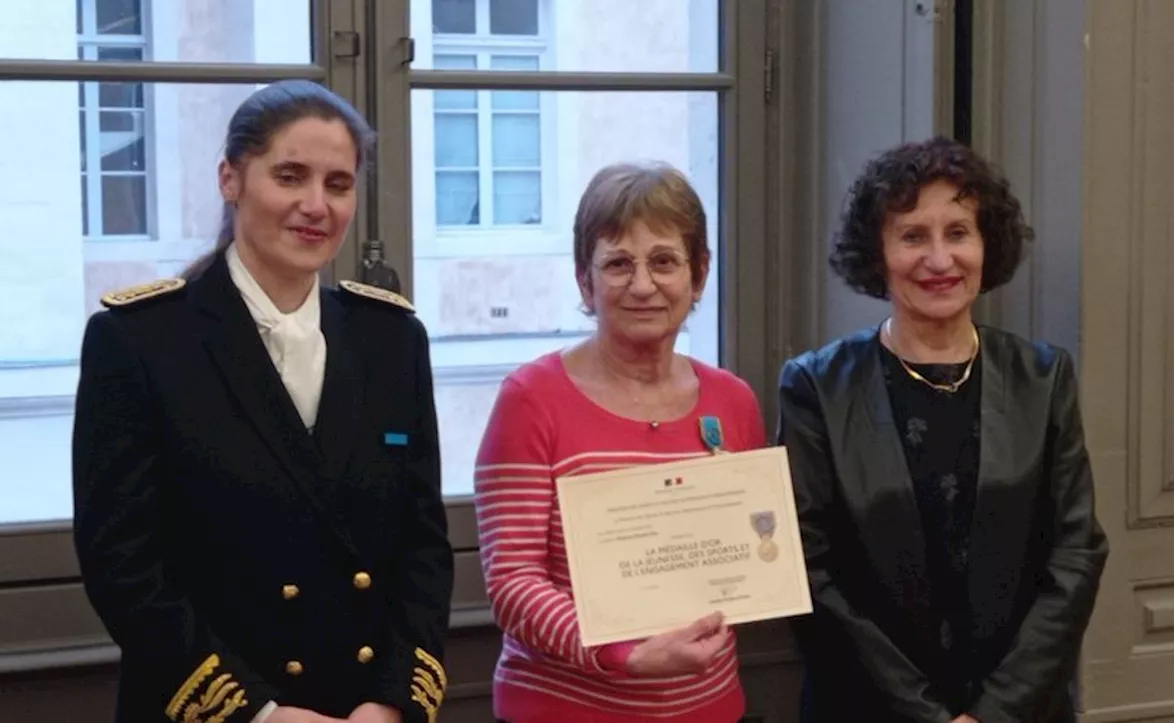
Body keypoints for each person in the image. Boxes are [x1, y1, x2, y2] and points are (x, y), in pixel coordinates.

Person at [72, 80, 453, 723]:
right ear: (231, 178)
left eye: (338, 184)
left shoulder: (391, 340)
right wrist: (263, 715)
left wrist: (391, 704)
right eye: (289, 175)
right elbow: (124, 566)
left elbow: (424, 547)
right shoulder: (139, 341)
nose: (316, 205)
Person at [777, 136, 1109, 723]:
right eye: (912, 236)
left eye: (958, 232)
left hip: (1022, 710)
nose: (938, 259)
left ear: (987, 245)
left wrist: (996, 712)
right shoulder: (816, 388)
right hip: (865, 709)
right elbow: (808, 571)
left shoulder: (1044, 376)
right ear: (878, 253)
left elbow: (1076, 554)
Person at [473, 162, 766, 723]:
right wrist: (623, 655)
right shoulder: (531, 399)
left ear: (699, 275)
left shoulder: (733, 403)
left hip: (709, 710)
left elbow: (750, 561)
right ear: (585, 280)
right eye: (617, 264)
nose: (642, 285)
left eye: (664, 261)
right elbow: (513, 584)